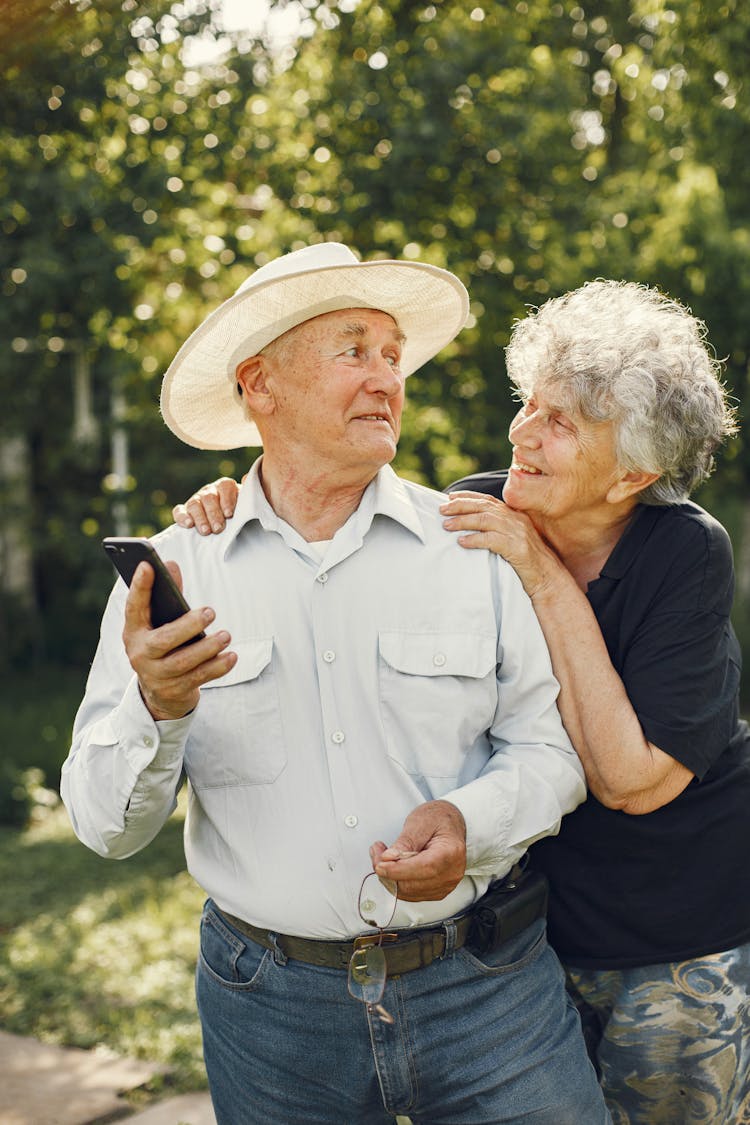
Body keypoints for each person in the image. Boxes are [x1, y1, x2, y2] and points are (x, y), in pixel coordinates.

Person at [178, 277, 750, 1125]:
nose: (523, 432)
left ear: (635, 471)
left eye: (561, 423)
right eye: (529, 404)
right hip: (526, 935)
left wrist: (540, 569)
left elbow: (633, 781)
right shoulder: (479, 509)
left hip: (670, 935)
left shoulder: (684, 554)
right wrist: (229, 504)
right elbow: (332, 507)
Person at [61, 242, 610, 1125]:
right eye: (353, 349)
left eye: (394, 355)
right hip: (271, 1017)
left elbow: (550, 751)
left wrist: (473, 824)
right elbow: (104, 829)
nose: (386, 377)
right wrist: (156, 706)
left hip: (487, 991)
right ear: (259, 385)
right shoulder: (171, 574)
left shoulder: (475, 545)